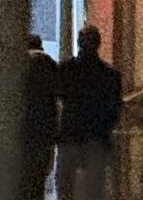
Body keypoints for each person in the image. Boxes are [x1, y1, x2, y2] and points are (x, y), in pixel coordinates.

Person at [56, 26, 123, 200]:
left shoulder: (66, 69)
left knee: (66, 187)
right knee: (94, 187)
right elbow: (116, 107)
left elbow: (59, 97)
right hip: (97, 136)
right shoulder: (110, 75)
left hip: (71, 135)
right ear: (98, 44)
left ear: (79, 43)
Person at [16, 35, 58, 200]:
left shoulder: (19, 66)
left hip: (24, 130)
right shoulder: (51, 65)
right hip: (46, 130)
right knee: (39, 178)